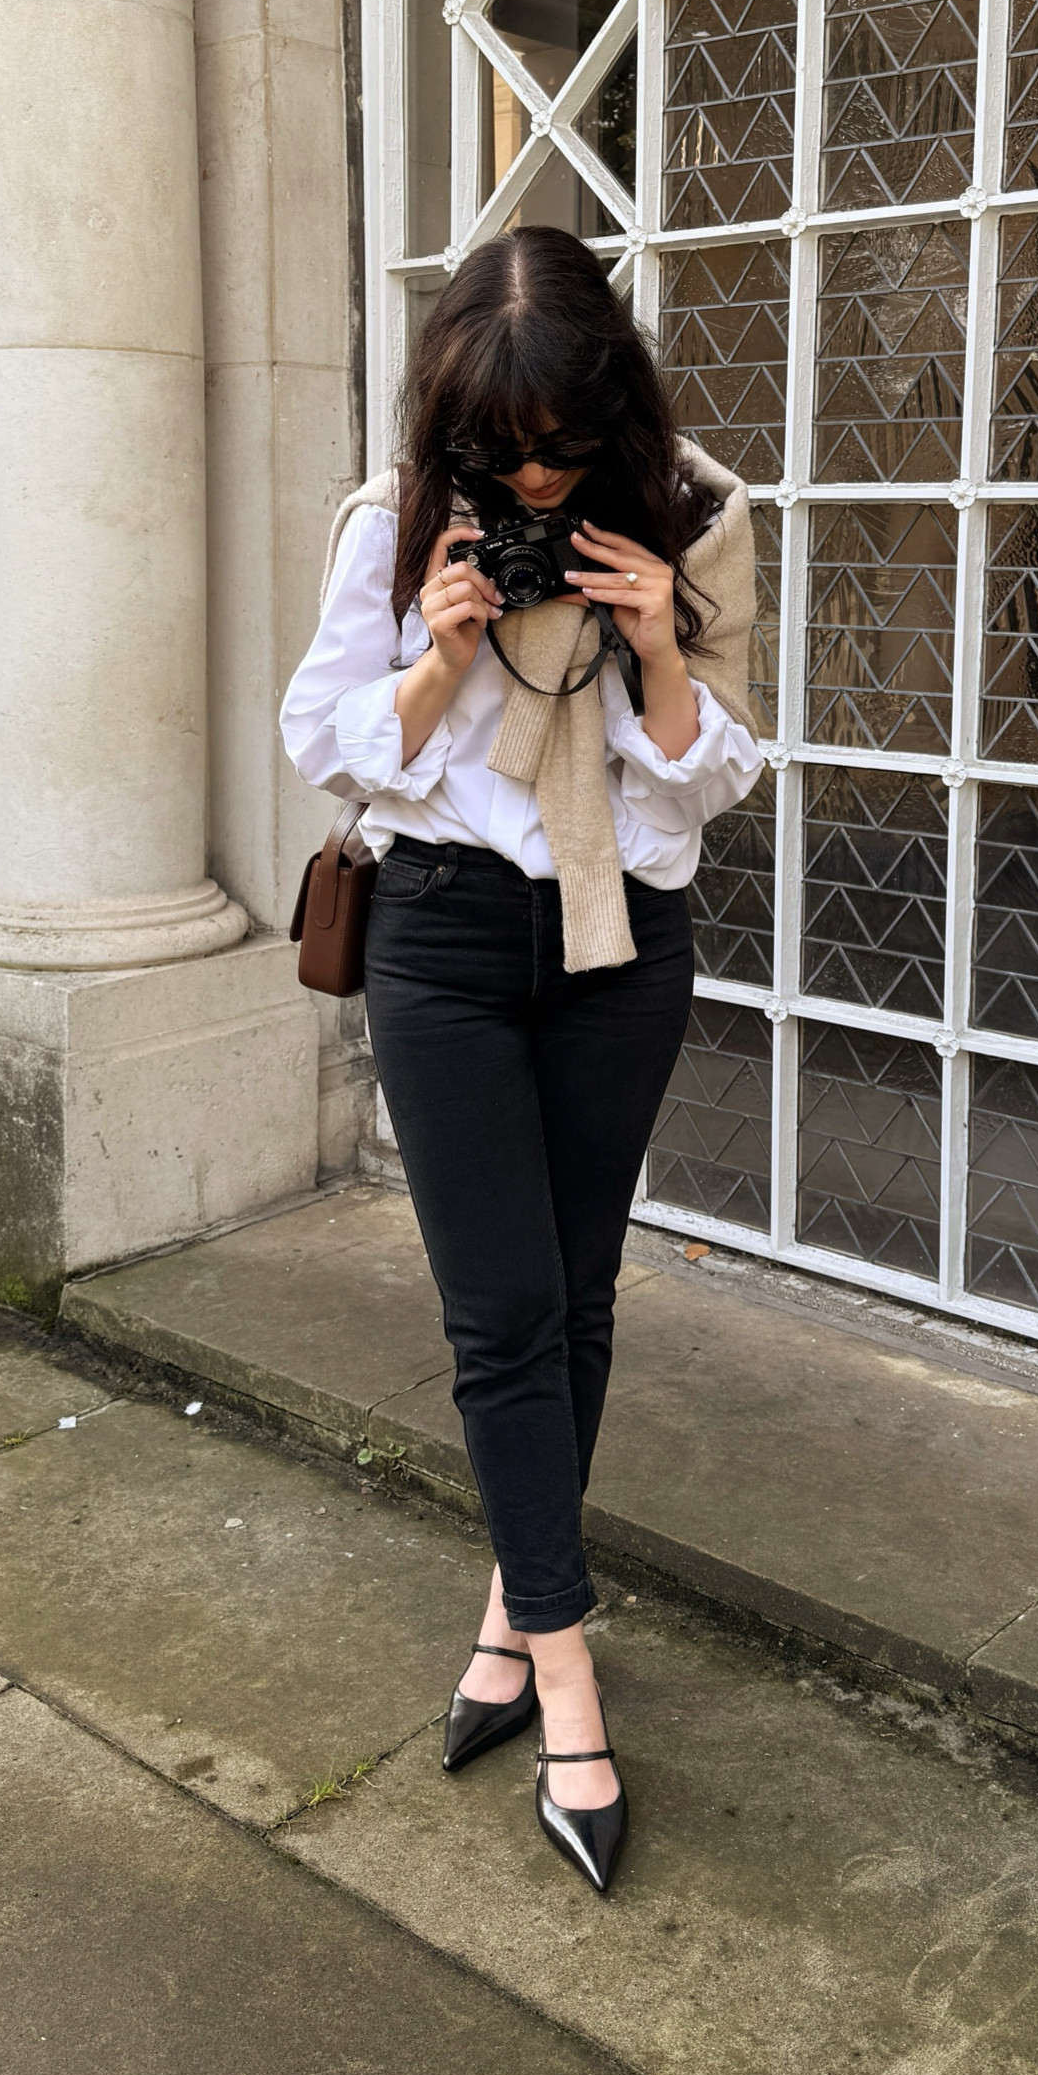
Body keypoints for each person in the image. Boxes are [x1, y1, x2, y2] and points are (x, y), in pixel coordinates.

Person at [280, 225, 762, 1891]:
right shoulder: (402, 518)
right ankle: (567, 1672)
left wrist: (660, 650)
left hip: (621, 944)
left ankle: (507, 1608)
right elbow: (320, 744)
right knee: (499, 1318)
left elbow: (717, 782)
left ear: (610, 407)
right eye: (503, 451)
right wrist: (438, 656)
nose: (535, 481)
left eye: (560, 447)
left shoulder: (699, 515)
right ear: (457, 427)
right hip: (446, 940)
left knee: (575, 1295)